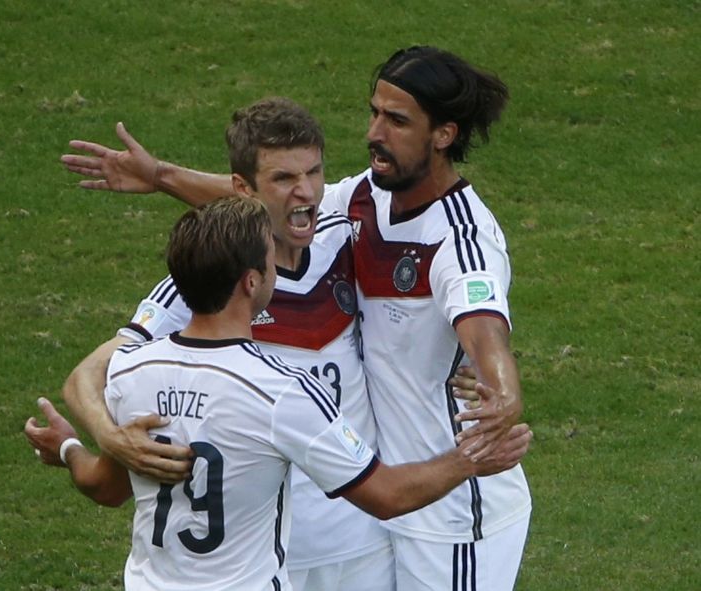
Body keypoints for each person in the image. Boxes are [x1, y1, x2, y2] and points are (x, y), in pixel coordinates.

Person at [61, 46, 532, 590]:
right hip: (308, 533)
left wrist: (501, 388)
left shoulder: (418, 234)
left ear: (443, 134)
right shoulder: (351, 207)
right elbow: (270, 200)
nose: (374, 133)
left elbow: (484, 326)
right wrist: (108, 437)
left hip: (415, 519)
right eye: (374, 112)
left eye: (396, 120)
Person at [25, 195, 533, 591]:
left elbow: (105, 488)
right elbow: (387, 495)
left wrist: (69, 447)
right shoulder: (282, 391)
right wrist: (471, 460)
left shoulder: (129, 372)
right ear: (252, 282)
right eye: (270, 261)